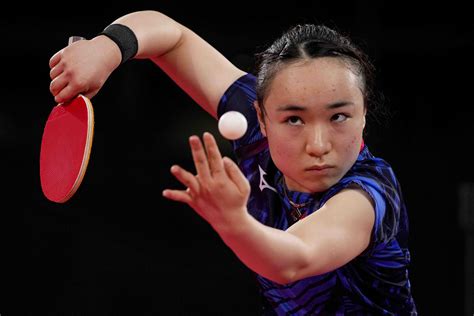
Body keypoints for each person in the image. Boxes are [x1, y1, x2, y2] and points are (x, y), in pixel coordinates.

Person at [49, 10, 417, 315]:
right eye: (294, 120)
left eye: (338, 117)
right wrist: (109, 47)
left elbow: (293, 260)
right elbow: (172, 37)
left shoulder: (369, 194)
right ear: (261, 117)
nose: (318, 145)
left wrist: (235, 223)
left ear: (364, 113)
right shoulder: (255, 128)